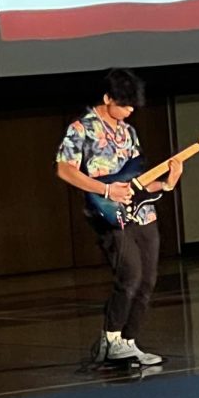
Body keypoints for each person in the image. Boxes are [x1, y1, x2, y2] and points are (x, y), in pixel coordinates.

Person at [55, 69, 182, 366]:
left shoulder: (129, 132)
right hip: (109, 214)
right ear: (107, 98)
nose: (129, 111)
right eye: (124, 105)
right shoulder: (81, 129)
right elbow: (65, 169)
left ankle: (128, 341)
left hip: (142, 211)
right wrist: (105, 189)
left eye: (132, 106)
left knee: (148, 279)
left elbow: (137, 182)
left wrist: (166, 183)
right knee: (130, 275)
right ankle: (111, 337)